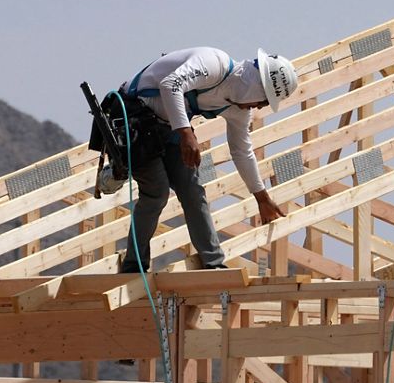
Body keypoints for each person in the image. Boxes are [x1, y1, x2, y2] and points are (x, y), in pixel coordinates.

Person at [115, 47, 298, 273]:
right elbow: (170, 84)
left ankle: (214, 264)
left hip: (167, 129)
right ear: (256, 85)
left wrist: (261, 197)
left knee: (193, 191)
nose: (260, 107)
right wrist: (185, 133)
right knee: (156, 191)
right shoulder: (214, 64)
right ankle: (134, 266)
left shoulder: (239, 110)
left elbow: (242, 151)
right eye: (264, 101)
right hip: (133, 120)